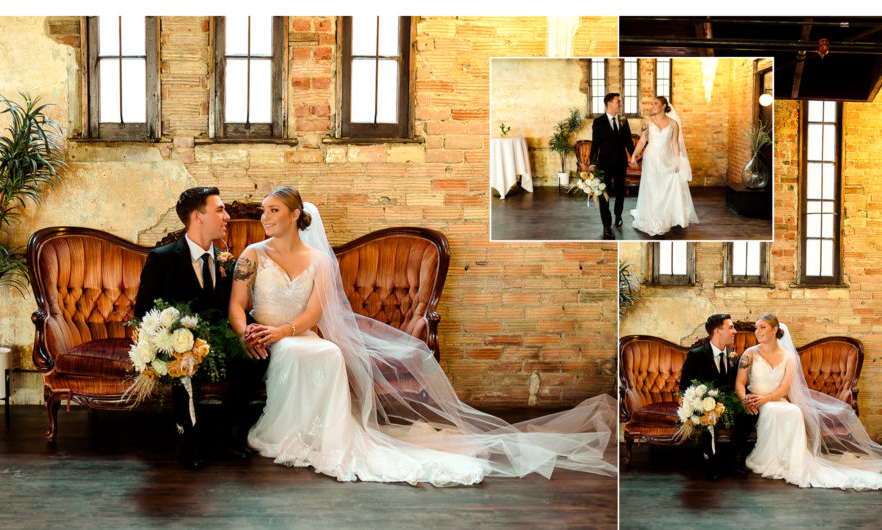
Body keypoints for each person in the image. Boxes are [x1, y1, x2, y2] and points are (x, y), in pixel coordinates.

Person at [228, 187, 618, 485]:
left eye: (273, 210)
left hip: (297, 333)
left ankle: (326, 437)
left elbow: (315, 312)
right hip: (263, 335)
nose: (265, 217)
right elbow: (236, 305)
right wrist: (249, 334)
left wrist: (285, 330)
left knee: (328, 352)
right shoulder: (252, 254)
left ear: (296, 215)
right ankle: (287, 430)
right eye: (263, 210)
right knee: (308, 353)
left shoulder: (319, 260)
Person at [134, 187, 268, 470]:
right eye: (220, 210)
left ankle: (227, 433)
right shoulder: (162, 258)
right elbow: (143, 314)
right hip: (180, 345)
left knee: (257, 356)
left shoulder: (224, 259)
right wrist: (172, 339)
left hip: (218, 344)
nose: (227, 216)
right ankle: (187, 438)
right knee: (183, 359)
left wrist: (250, 333)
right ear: (197, 217)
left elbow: (234, 309)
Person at [736, 314, 882, 490]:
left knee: (794, 411)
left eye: (762, 327)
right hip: (755, 400)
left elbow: (785, 387)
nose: (757, 331)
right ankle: (767, 458)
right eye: (756, 328)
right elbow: (740, 382)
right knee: (777, 411)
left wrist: (768, 398)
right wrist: (745, 399)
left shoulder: (789, 357)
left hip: (775, 399)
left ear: (774, 330)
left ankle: (790, 460)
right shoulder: (750, 354)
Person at [679, 314, 755, 480]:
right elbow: (684, 387)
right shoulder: (696, 355)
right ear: (717, 331)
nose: (735, 331)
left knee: (751, 413)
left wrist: (747, 400)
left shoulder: (734, 356)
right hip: (706, 404)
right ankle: (713, 463)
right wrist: (699, 403)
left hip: (729, 404)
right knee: (709, 415)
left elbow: (738, 385)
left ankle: (730, 459)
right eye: (731, 328)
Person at [628, 96, 698, 236]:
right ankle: (654, 221)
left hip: (667, 159)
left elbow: (675, 144)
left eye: (655, 103)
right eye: (652, 104)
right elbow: (642, 140)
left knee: (667, 187)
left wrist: (677, 162)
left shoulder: (673, 124)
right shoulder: (647, 122)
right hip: (651, 158)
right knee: (652, 187)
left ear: (664, 105)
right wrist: (634, 155)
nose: (652, 106)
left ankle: (665, 218)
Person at [589, 92, 635, 240]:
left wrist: (633, 156)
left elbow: (628, 142)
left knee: (620, 192)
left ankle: (618, 215)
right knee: (604, 195)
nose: (620, 104)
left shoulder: (623, 120)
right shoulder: (598, 122)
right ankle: (606, 226)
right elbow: (595, 144)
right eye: (618, 102)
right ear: (610, 104)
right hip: (604, 164)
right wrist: (592, 163)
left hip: (621, 163)